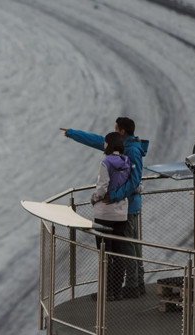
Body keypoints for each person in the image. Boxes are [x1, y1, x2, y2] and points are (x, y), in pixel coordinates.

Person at [60, 117, 150, 298]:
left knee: (127, 247)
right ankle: (137, 283)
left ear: (122, 132)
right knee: (131, 245)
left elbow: (134, 181)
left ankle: (132, 286)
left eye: (116, 128)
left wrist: (113, 196)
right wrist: (72, 133)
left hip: (126, 207)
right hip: (126, 206)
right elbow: (97, 140)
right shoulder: (124, 147)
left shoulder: (131, 151)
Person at [89, 132, 132, 300]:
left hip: (104, 214)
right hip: (121, 214)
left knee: (104, 254)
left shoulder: (105, 163)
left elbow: (102, 188)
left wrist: (93, 199)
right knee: (118, 253)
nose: (104, 145)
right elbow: (135, 185)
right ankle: (117, 290)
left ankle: (105, 292)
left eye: (105, 142)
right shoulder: (127, 161)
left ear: (109, 144)